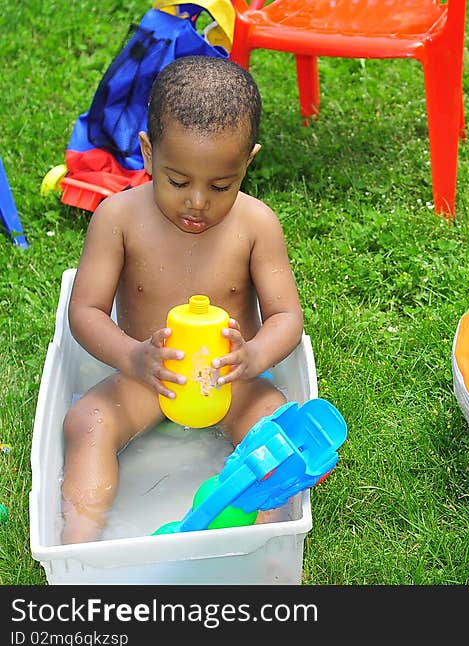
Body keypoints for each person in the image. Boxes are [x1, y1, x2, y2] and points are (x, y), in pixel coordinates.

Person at [60, 55, 304, 544]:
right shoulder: (118, 218)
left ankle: (258, 544)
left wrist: (252, 356)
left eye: (221, 185)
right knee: (87, 421)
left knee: (275, 433)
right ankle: (81, 549)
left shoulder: (256, 225)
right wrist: (134, 356)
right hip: (152, 376)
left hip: (229, 382)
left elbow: (286, 316)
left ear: (247, 162)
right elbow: (84, 312)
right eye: (177, 181)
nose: (197, 202)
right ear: (148, 154)